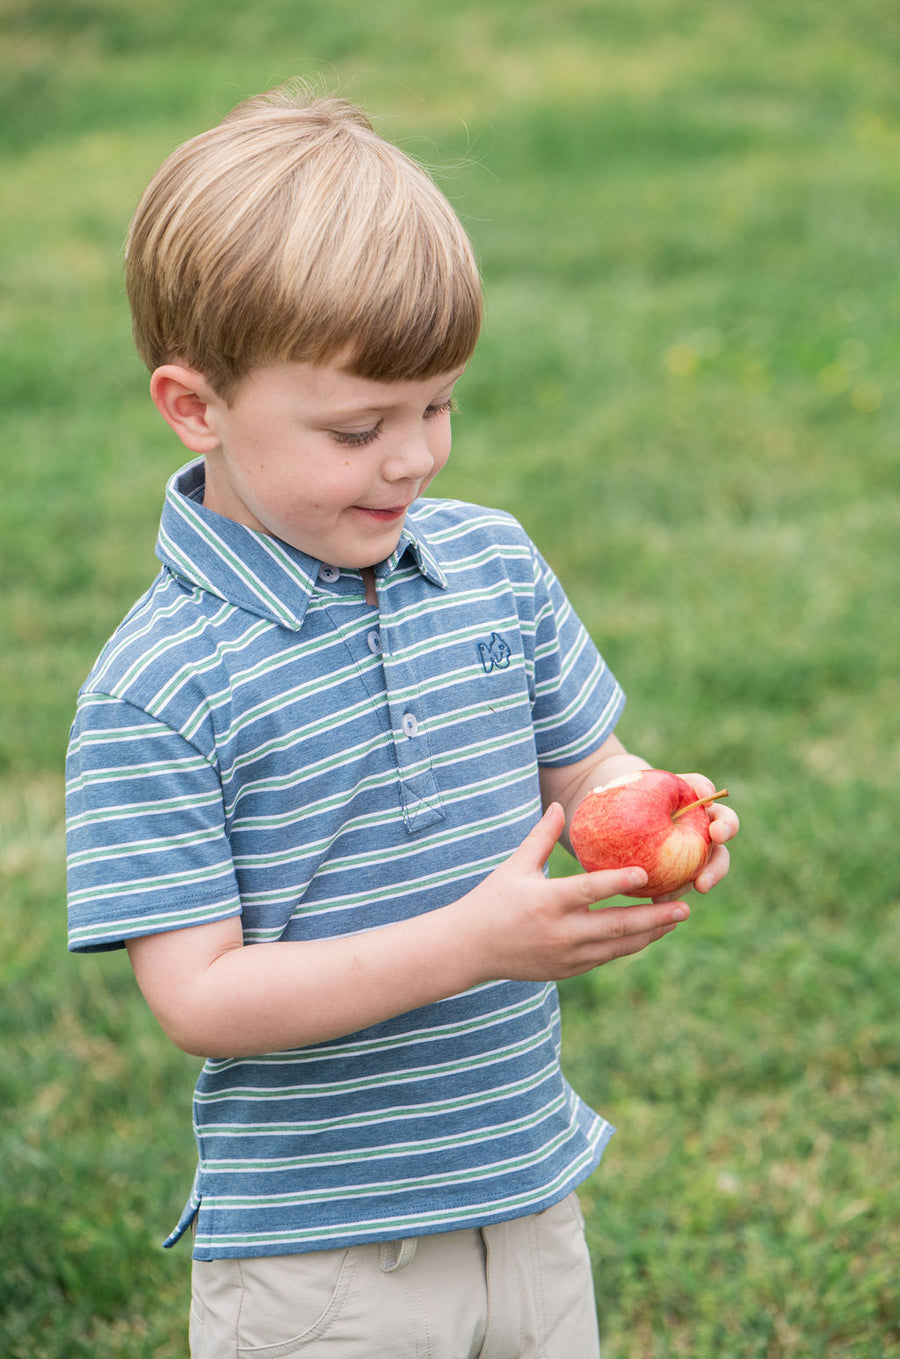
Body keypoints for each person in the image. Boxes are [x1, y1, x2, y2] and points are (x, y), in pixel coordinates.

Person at [66, 83, 738, 1358]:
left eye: (438, 405)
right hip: (325, 1261)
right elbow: (199, 998)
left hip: (527, 1197)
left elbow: (588, 769)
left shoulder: (491, 564)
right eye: (359, 426)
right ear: (195, 407)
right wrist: (473, 944)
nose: (415, 458)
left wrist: (665, 807)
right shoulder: (156, 691)